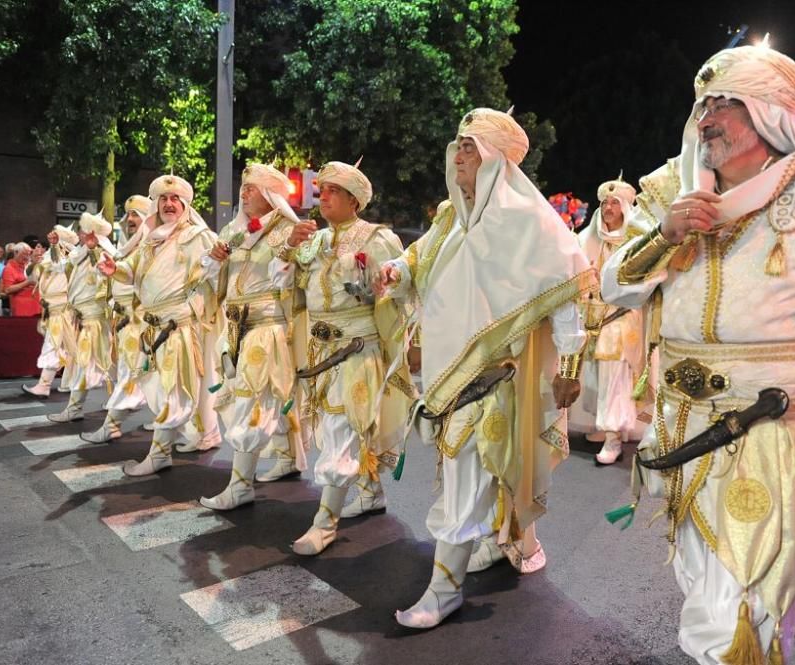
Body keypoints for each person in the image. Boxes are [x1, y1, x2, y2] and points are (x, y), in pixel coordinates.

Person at [600, 45, 795, 665]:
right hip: (679, 424)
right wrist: (666, 234)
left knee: (748, 597)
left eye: (724, 103)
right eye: (702, 104)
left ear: (769, 115)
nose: (706, 117)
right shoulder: (667, 193)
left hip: (770, 425)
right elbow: (612, 287)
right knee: (700, 582)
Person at [376, 108, 595, 628]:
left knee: (464, 481)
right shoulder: (450, 218)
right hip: (446, 376)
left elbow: (563, 291)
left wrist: (569, 364)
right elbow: (416, 264)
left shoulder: (530, 220)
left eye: (470, 146)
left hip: (495, 378)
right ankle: (506, 544)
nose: (459, 155)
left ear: (496, 158)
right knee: (467, 475)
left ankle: (443, 590)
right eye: (458, 146)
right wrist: (393, 271)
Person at [270, 160, 411, 556]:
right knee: (344, 429)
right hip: (319, 350)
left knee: (341, 431)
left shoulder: (378, 238)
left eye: (332, 190)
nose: (322, 196)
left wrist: (382, 290)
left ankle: (324, 523)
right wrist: (289, 247)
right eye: (322, 189)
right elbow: (284, 283)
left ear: (354, 200)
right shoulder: (314, 240)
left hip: (357, 349)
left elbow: (400, 290)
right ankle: (370, 493)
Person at [197, 164, 308, 510]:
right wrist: (214, 260)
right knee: (269, 398)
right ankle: (288, 458)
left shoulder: (288, 230)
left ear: (271, 195)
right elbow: (215, 275)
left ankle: (240, 485)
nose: (243, 193)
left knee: (251, 403)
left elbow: (290, 283)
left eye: (251, 188)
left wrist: (289, 248)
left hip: (266, 330)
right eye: (243, 187)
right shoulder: (235, 228)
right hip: (235, 328)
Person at [98, 175, 219, 476]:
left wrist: (213, 265)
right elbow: (133, 272)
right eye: (163, 199)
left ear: (185, 205)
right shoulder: (150, 239)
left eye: (175, 199)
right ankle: (183, 439)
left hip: (176, 328)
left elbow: (213, 274)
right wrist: (116, 270)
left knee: (172, 393)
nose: (168, 204)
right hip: (150, 328)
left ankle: (159, 454)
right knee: (158, 391)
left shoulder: (196, 236)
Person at [572, 175, 647, 465]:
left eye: (615, 202)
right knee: (592, 374)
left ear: (626, 208)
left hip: (622, 316)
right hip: (592, 317)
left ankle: (614, 437)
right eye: (605, 202)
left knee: (613, 374)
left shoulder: (636, 241)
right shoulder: (587, 238)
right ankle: (604, 427)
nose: (608, 207)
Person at [81, 195, 153, 442]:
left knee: (131, 373)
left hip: (140, 322)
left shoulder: (150, 246)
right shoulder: (126, 247)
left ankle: (112, 425)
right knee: (137, 374)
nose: (131, 220)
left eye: (136, 215)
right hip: (122, 321)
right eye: (129, 215)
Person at [47, 213, 115, 423]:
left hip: (94, 318)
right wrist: (55, 247)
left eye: (81, 230)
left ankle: (77, 408)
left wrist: (94, 249)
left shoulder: (103, 252)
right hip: (82, 316)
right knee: (108, 365)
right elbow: (59, 266)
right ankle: (115, 408)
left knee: (87, 364)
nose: (77, 234)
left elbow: (103, 275)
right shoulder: (79, 253)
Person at [22, 225, 79, 399]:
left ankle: (44, 385)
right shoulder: (51, 257)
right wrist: (34, 261)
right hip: (52, 308)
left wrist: (53, 249)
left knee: (53, 345)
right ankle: (71, 382)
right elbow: (31, 276)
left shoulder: (72, 256)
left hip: (62, 308)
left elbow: (60, 266)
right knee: (66, 345)